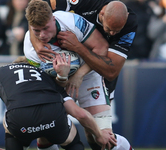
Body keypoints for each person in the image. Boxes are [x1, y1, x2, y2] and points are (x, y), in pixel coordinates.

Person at [24, 0, 133, 150]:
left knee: (105, 138)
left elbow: (101, 48)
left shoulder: (71, 21)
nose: (42, 35)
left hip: (88, 74)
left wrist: (79, 74)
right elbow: (49, 82)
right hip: (57, 82)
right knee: (46, 134)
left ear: (53, 18)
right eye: (37, 31)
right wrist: (62, 77)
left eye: (46, 28)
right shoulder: (30, 49)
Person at [0, 55, 116, 150]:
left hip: (21, 120)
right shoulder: (46, 77)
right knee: (71, 139)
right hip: (53, 117)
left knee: (8, 119)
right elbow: (80, 114)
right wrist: (99, 134)